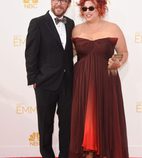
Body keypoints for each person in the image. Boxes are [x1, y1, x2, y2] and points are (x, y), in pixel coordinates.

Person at [69, 0, 129, 158]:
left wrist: (117, 61)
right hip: (81, 80)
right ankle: (86, 153)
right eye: (84, 8)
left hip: (106, 79)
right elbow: (70, 55)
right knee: (84, 115)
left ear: (101, 8)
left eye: (91, 8)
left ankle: (105, 153)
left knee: (104, 113)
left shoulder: (113, 28)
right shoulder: (76, 30)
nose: (87, 11)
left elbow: (123, 52)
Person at [25, 0, 74, 157]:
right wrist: (34, 79)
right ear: (52, 2)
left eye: (64, 1)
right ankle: (47, 155)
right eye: (56, 0)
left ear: (68, 4)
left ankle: (64, 154)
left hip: (67, 82)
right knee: (46, 124)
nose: (60, 4)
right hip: (45, 82)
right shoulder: (37, 23)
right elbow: (30, 53)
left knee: (66, 123)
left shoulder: (71, 24)